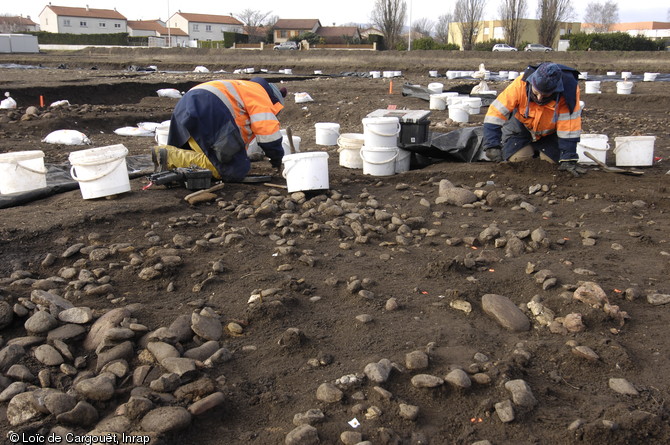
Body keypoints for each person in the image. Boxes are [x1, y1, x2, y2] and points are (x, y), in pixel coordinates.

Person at [153, 77, 287, 182]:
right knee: (233, 170)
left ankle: (170, 156)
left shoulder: (244, 87)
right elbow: (268, 134)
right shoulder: (261, 95)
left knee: (201, 156)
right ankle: (169, 156)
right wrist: (277, 157)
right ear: (275, 100)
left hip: (188, 103)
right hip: (209, 107)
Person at [482, 62, 585, 176]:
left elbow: (569, 128)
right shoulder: (519, 85)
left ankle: (541, 150)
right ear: (531, 83)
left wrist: (568, 158)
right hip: (521, 127)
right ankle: (529, 148)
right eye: (536, 93)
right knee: (517, 159)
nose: (540, 98)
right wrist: (492, 144)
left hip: (549, 133)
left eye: (545, 95)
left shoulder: (568, 93)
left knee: (550, 163)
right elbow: (495, 113)